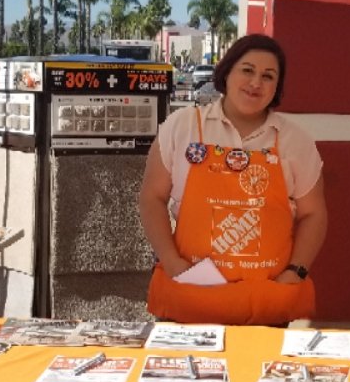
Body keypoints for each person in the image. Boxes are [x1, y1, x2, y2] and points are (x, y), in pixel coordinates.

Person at [139, 33, 327, 325]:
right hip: (191, 295)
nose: (256, 83)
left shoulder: (295, 140)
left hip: (266, 302)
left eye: (268, 76)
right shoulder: (184, 126)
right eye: (247, 70)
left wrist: (296, 272)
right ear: (226, 72)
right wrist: (171, 261)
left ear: (277, 86)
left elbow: (314, 213)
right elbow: (152, 197)